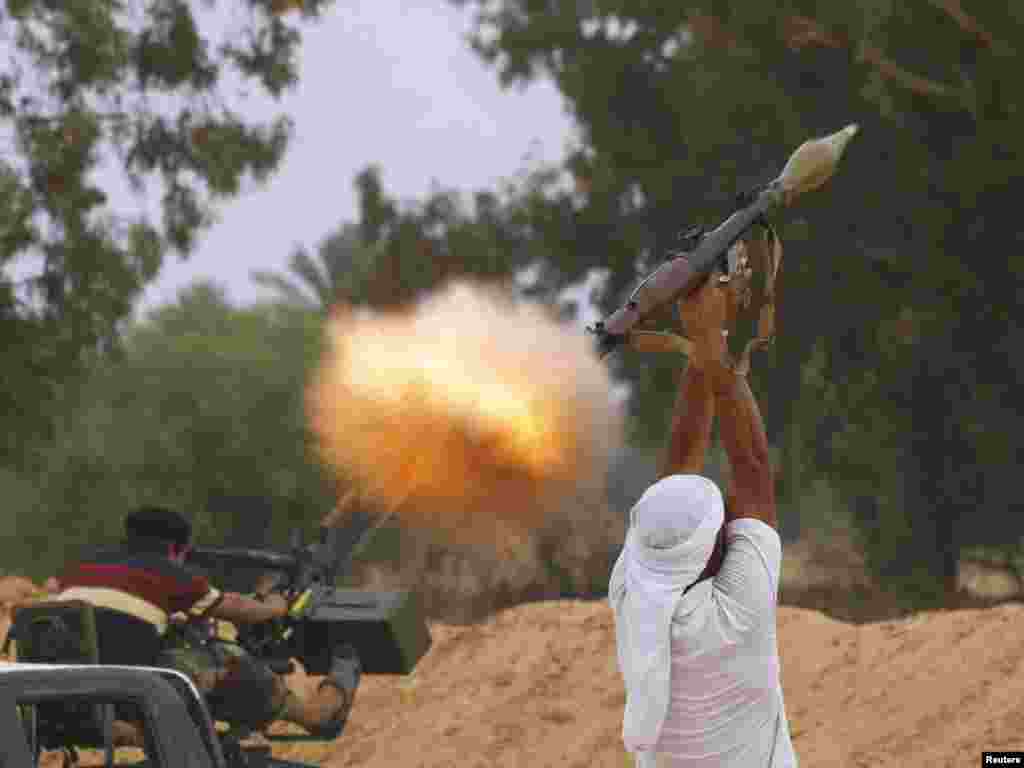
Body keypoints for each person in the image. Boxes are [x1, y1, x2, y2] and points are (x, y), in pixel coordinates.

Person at [609, 270, 798, 767]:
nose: (731, 515)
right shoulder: (733, 613)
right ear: (712, 549)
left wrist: (705, 343)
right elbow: (752, 467)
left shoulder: (635, 594)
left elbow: (678, 474)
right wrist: (710, 338)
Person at [50, 506, 362, 746]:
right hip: (134, 693)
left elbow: (115, 621)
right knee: (227, 661)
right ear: (175, 549)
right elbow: (239, 610)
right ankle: (316, 716)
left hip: (74, 697)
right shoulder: (170, 574)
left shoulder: (80, 568)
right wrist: (275, 606)